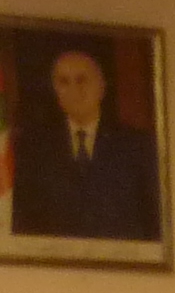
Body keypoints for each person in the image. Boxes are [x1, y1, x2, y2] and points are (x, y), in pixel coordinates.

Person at [13, 42, 162, 242]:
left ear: (101, 86)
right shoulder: (34, 150)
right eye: (64, 82)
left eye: (82, 80)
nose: (74, 90)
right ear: (55, 90)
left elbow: (154, 223)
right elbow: (24, 224)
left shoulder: (138, 146)